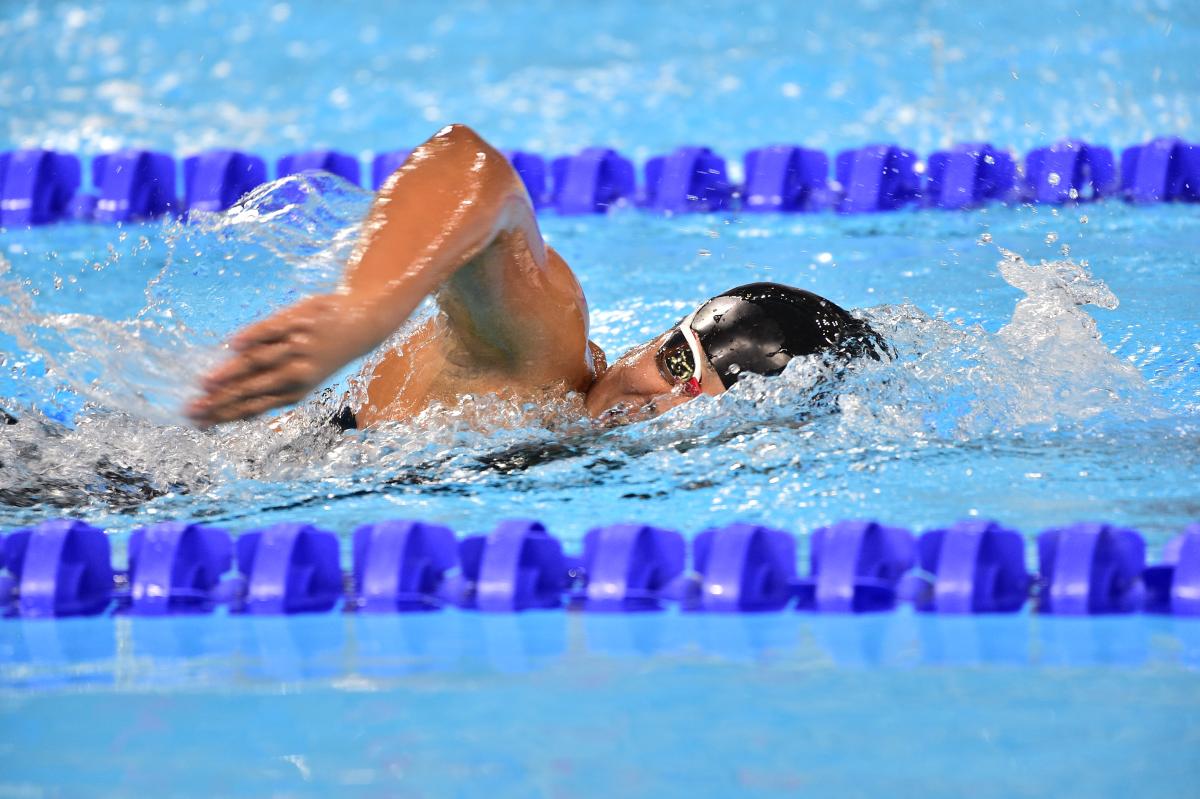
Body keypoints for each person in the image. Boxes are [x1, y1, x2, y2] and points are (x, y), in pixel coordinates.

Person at [185, 124, 884, 431]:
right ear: (652, 340)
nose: (659, 400)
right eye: (678, 360)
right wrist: (365, 310)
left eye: (704, 400)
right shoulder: (548, 350)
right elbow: (469, 165)